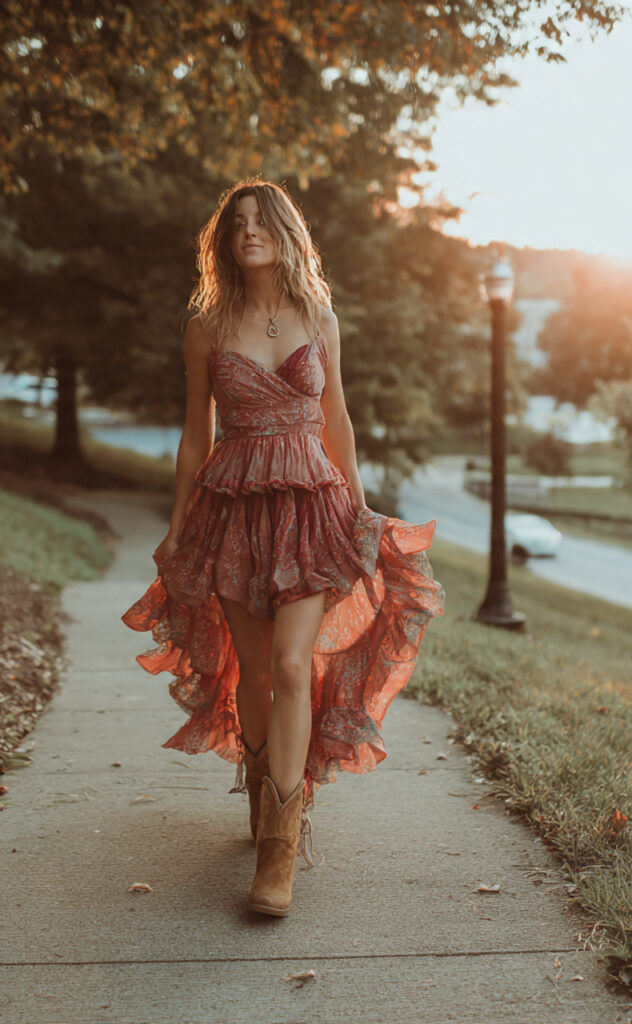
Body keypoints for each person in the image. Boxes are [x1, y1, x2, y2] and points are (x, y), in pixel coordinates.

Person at [122, 178, 444, 917]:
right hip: (234, 506)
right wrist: (177, 523)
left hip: (312, 504)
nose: (248, 233)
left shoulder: (319, 317)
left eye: (260, 221)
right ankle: (264, 796)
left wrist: (358, 511)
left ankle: (280, 847)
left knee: (295, 663)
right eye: (235, 225)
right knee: (256, 672)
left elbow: (338, 423)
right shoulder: (205, 326)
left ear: (286, 232)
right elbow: (194, 436)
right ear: (223, 241)